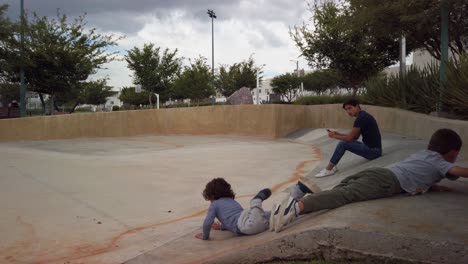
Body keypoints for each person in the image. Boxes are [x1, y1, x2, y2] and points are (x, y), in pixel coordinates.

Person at [271, 128, 468, 233]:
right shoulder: (440, 161)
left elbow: (419, 173)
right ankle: (295, 207)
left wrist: (432, 186)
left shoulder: (424, 154)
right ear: (451, 152)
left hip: (377, 173)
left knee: (341, 189)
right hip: (386, 181)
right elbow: (458, 171)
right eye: (455, 155)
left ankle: (302, 201)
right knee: (344, 195)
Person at [315, 99, 382, 177]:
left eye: (350, 108)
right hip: (373, 149)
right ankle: (331, 168)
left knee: (342, 144)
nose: (348, 111)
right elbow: (354, 137)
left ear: (357, 106)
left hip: (373, 152)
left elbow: (350, 138)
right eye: (346, 110)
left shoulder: (361, 118)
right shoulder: (363, 115)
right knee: (344, 143)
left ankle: (328, 169)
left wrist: (334, 136)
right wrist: (338, 133)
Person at [195, 178, 272, 240]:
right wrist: (221, 227)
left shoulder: (215, 204)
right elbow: (234, 220)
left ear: (211, 196)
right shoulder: (232, 201)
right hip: (258, 223)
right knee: (262, 215)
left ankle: (256, 201)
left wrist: (204, 236)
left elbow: (208, 222)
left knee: (255, 215)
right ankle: (275, 213)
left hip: (248, 227)